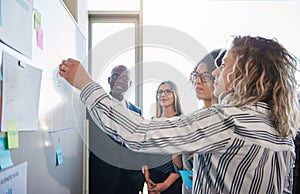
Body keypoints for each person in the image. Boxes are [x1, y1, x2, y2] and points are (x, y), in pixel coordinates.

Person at [59, 35, 299, 193]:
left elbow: (137, 133)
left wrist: (86, 84)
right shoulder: (282, 131)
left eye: (224, 65)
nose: (215, 74)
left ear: (244, 73)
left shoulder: (229, 120)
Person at [174, 49, 226, 194]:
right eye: (196, 75)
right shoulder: (191, 119)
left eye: (205, 76)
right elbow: (181, 167)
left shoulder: (227, 121)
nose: (197, 81)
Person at [88, 65, 145, 194]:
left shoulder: (137, 111)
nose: (120, 80)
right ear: (109, 80)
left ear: (130, 84)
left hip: (131, 180)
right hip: (103, 179)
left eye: (125, 78)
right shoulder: (96, 107)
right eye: (116, 76)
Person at [144, 81, 183, 194]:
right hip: (153, 178)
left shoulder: (182, 122)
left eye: (167, 91)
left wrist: (165, 185)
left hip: (173, 180)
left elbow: (182, 161)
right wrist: (147, 176)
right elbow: (146, 151)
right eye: (160, 92)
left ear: (175, 95)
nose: (163, 94)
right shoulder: (151, 122)